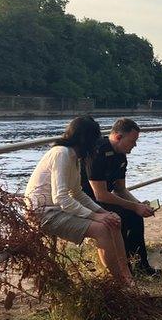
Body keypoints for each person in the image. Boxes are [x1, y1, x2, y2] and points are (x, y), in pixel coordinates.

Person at [24, 116, 132, 284]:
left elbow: (77, 192)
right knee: (102, 229)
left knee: (113, 221)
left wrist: (104, 212)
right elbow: (61, 197)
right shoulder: (61, 154)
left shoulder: (74, 157)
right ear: (86, 139)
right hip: (43, 213)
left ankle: (126, 276)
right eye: (95, 140)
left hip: (57, 210)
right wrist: (95, 216)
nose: (96, 146)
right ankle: (117, 282)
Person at [81, 118, 160, 278]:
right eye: (132, 141)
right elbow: (100, 194)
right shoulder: (98, 152)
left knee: (135, 217)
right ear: (118, 137)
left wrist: (138, 205)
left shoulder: (121, 156)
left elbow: (120, 189)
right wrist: (134, 207)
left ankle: (140, 266)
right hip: (85, 200)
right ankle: (124, 269)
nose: (134, 145)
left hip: (103, 199)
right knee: (120, 218)